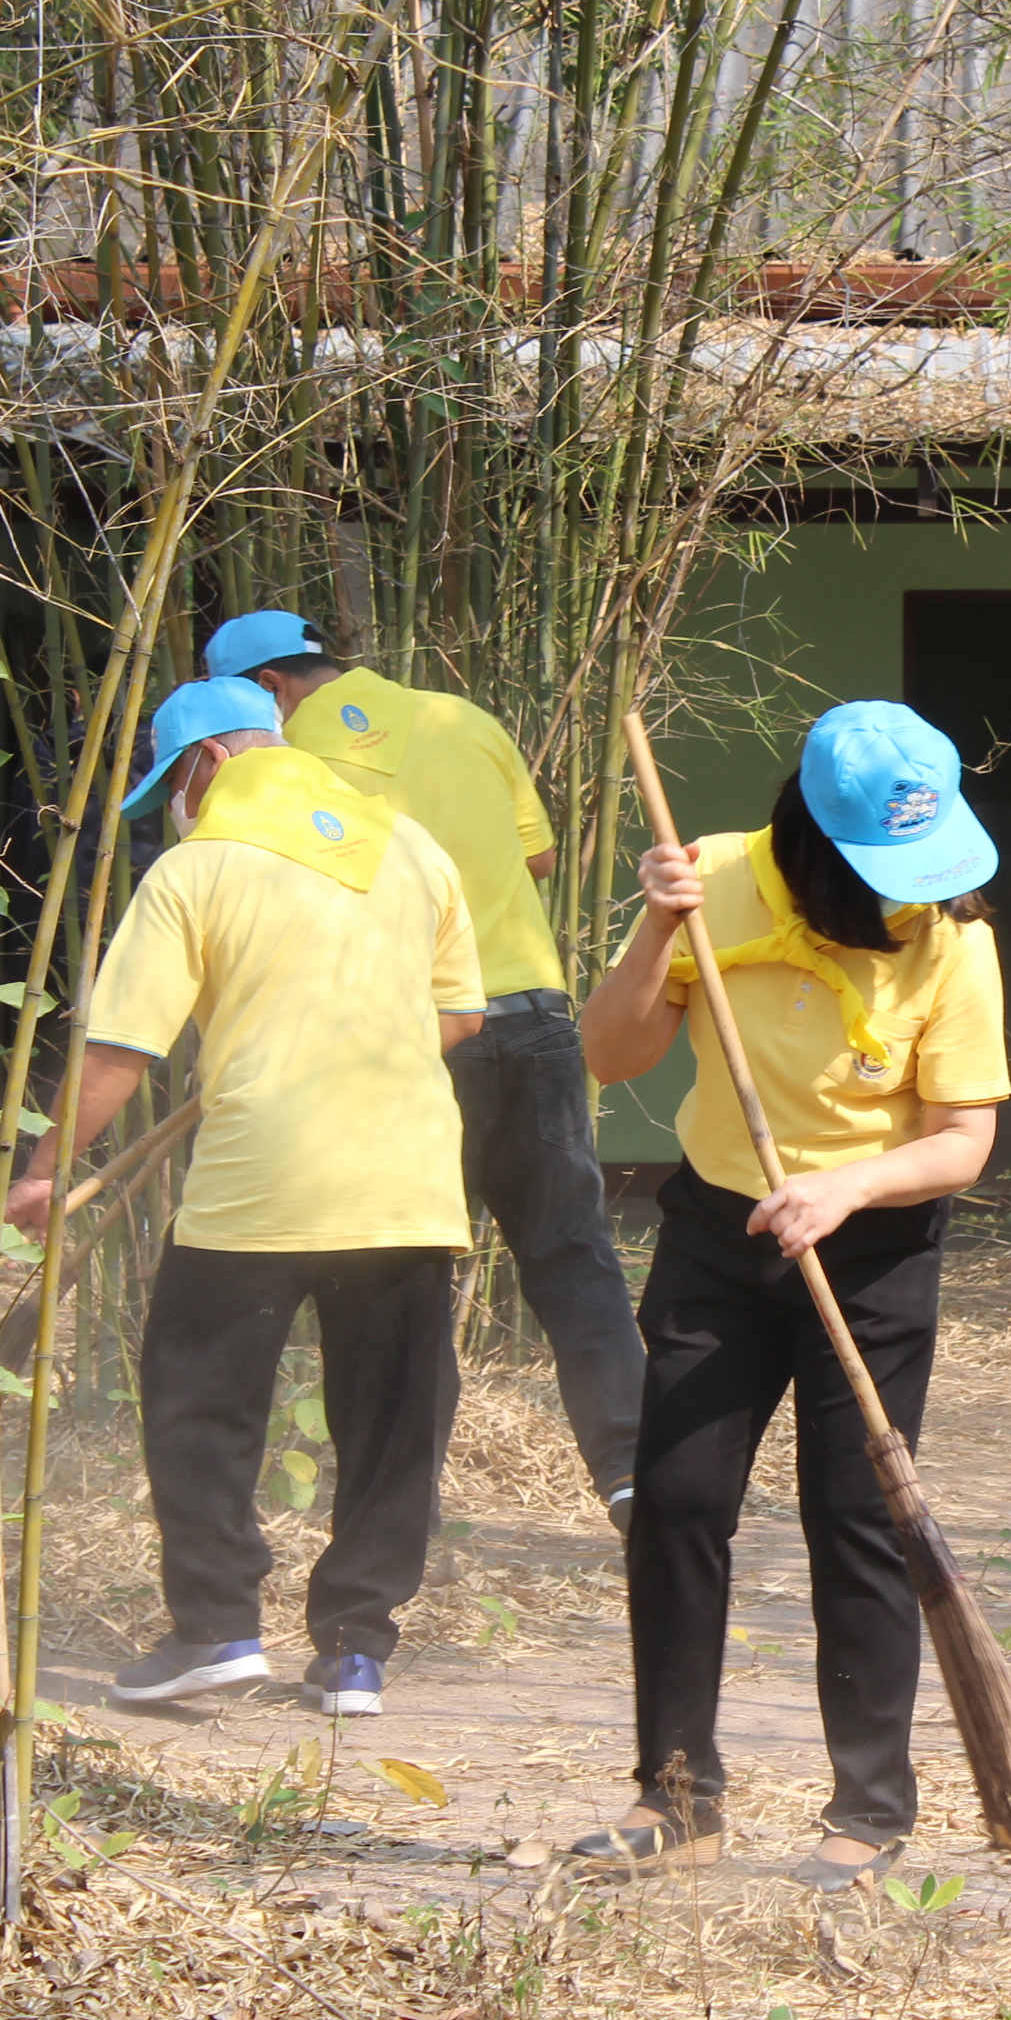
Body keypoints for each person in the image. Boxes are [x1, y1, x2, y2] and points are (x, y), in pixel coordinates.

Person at [563, 703, 1010, 1892]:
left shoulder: (954, 940)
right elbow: (610, 1056)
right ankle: (676, 1799)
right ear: (813, 840)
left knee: (856, 1520)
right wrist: (658, 930)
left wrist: (847, 1187)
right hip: (721, 1237)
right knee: (675, 1503)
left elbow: (962, 1139)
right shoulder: (710, 880)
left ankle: (870, 1809)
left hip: (871, 1254)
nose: (910, 895)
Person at [3, 676, 484, 1721]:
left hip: (262, 1178)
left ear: (210, 762)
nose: (178, 808)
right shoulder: (413, 849)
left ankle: (217, 1628)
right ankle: (355, 1652)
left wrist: (43, 1169)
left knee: (200, 1400)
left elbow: (119, 1050)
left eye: (175, 783)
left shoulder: (198, 868)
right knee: (392, 1423)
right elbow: (459, 1018)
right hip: (407, 1179)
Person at [204, 608, 646, 1533]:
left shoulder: (285, 771)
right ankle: (635, 1478)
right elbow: (539, 854)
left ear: (269, 691)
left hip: (410, 1033)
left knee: (407, 1277)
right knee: (573, 1258)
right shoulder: (463, 720)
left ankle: (404, 1516)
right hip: (532, 1015)